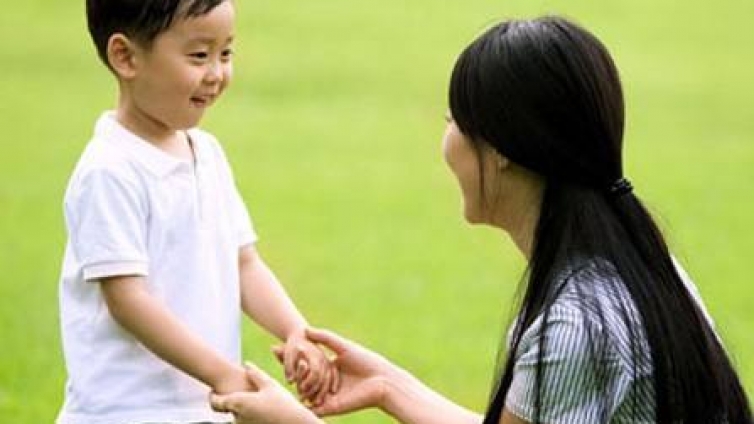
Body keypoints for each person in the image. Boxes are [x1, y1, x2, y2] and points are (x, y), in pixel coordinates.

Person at [210, 15, 753, 424]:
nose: (445, 139)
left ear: (501, 150)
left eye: (452, 119)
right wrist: (387, 386)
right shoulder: (640, 264)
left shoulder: (574, 325)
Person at [56, 1, 335, 423]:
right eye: (200, 55)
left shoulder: (207, 153)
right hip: (127, 412)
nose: (217, 73)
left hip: (201, 409)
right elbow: (128, 300)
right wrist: (224, 375)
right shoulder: (110, 170)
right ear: (125, 57)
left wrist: (296, 330)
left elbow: (244, 263)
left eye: (226, 53)